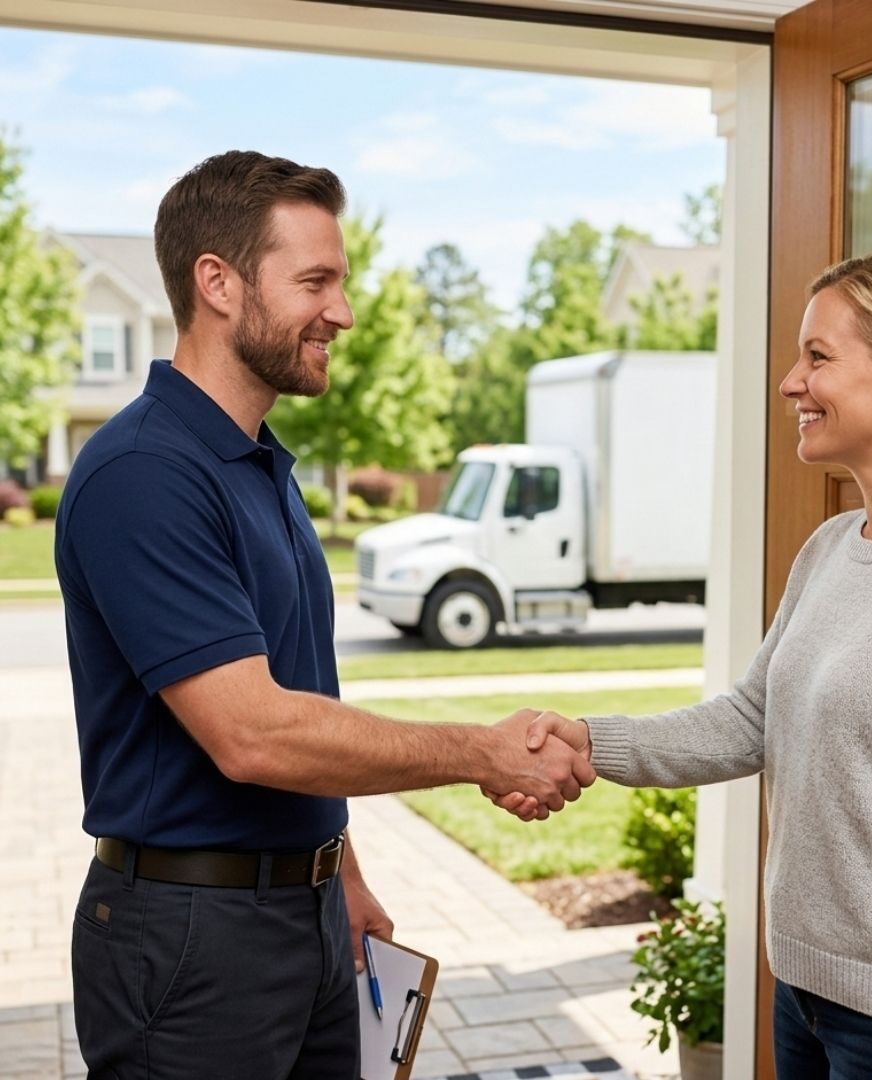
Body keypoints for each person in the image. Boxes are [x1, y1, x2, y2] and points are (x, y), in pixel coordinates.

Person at [55, 150, 594, 1080]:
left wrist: (334, 869)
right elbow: (253, 736)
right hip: (191, 940)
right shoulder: (145, 474)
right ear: (216, 283)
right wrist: (481, 751)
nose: (341, 312)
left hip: (295, 916)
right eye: (316, 281)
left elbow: (297, 694)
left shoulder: (259, 464)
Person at [496, 252, 872, 1080]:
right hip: (803, 1000)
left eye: (818, 357)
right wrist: (587, 740)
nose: (792, 382)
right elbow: (749, 721)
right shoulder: (832, 547)